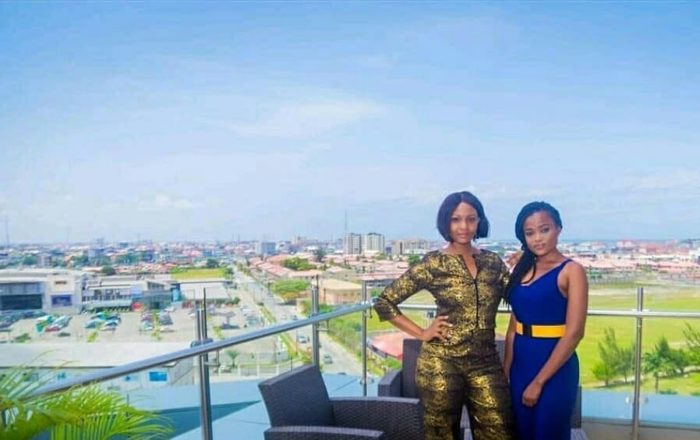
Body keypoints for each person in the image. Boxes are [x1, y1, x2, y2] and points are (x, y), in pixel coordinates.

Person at [374, 191, 516, 440]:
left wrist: (528, 264)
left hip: (486, 363)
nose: (464, 226)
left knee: (500, 430)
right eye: (455, 219)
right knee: (441, 435)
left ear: (479, 221)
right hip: (441, 363)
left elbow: (520, 297)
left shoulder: (493, 263)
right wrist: (423, 333)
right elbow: (385, 302)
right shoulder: (434, 263)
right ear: (445, 222)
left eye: (471, 219)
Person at [503, 201, 588, 440]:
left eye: (545, 229)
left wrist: (539, 382)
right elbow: (513, 327)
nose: (538, 238)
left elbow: (575, 333)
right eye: (530, 233)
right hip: (520, 365)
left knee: (547, 432)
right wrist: (506, 370)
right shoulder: (522, 268)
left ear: (558, 229)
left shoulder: (572, 271)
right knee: (521, 433)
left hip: (555, 369)